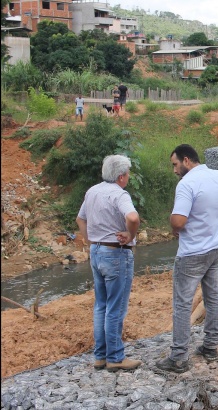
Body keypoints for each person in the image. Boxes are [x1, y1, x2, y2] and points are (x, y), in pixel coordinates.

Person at [155, 144, 218, 373]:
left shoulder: (187, 184)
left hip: (192, 254)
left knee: (182, 304)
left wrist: (172, 223)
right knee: (213, 297)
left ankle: (178, 358)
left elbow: (178, 222)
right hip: (216, 249)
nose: (174, 170)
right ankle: (210, 347)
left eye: (175, 165)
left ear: (186, 160)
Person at [75, 155, 141, 372]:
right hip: (116, 254)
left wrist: (90, 239)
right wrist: (131, 236)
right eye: (128, 173)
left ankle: (100, 356)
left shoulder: (92, 191)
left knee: (101, 305)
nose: (128, 177)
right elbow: (132, 218)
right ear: (121, 176)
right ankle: (115, 357)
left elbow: (80, 218)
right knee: (116, 307)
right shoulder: (119, 194)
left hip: (96, 252)